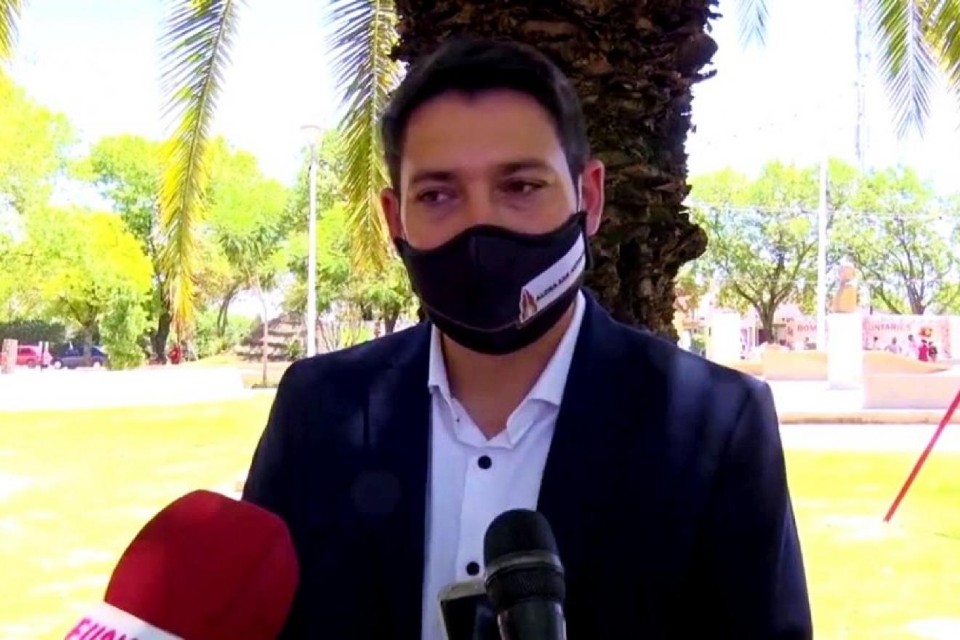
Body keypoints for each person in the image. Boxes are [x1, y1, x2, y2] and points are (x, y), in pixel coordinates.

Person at [242, 37, 811, 639]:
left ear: (589, 197)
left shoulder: (717, 426)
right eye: (437, 195)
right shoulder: (317, 409)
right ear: (394, 218)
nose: (479, 224)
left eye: (520, 186)